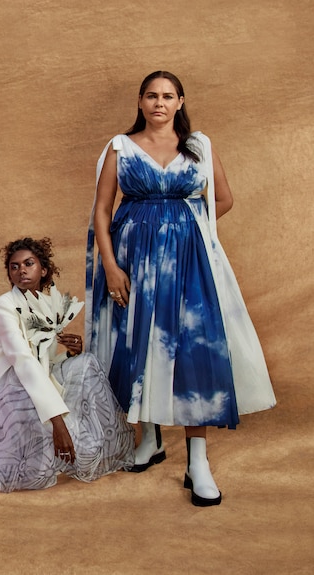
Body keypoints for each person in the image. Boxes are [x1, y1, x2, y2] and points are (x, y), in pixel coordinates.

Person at [86, 70, 276, 506]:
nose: (159, 103)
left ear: (180, 102)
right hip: (132, 262)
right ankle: (149, 440)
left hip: (189, 264)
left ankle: (198, 462)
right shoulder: (120, 147)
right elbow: (101, 210)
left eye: (168, 96)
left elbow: (222, 199)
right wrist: (112, 267)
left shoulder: (200, 147)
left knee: (193, 353)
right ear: (140, 101)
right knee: (140, 346)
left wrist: (187, 231)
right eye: (151, 96)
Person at [0, 237, 133, 492]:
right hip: (5, 381)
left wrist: (71, 354)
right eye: (14, 266)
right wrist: (57, 422)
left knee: (86, 363)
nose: (21, 270)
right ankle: (39, 445)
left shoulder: (48, 302)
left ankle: (91, 444)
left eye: (29, 263)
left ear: (43, 269)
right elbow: (23, 359)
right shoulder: (4, 305)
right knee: (26, 403)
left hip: (35, 375)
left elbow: (45, 361)